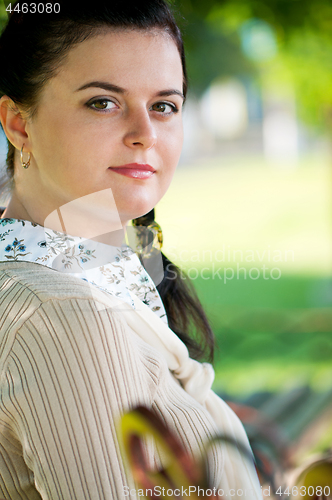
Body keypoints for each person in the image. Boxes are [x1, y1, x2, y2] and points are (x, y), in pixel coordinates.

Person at [0, 1, 262, 498]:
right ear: (18, 123)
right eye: (103, 102)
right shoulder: (65, 315)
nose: (146, 135)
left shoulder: (85, 279)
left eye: (164, 105)